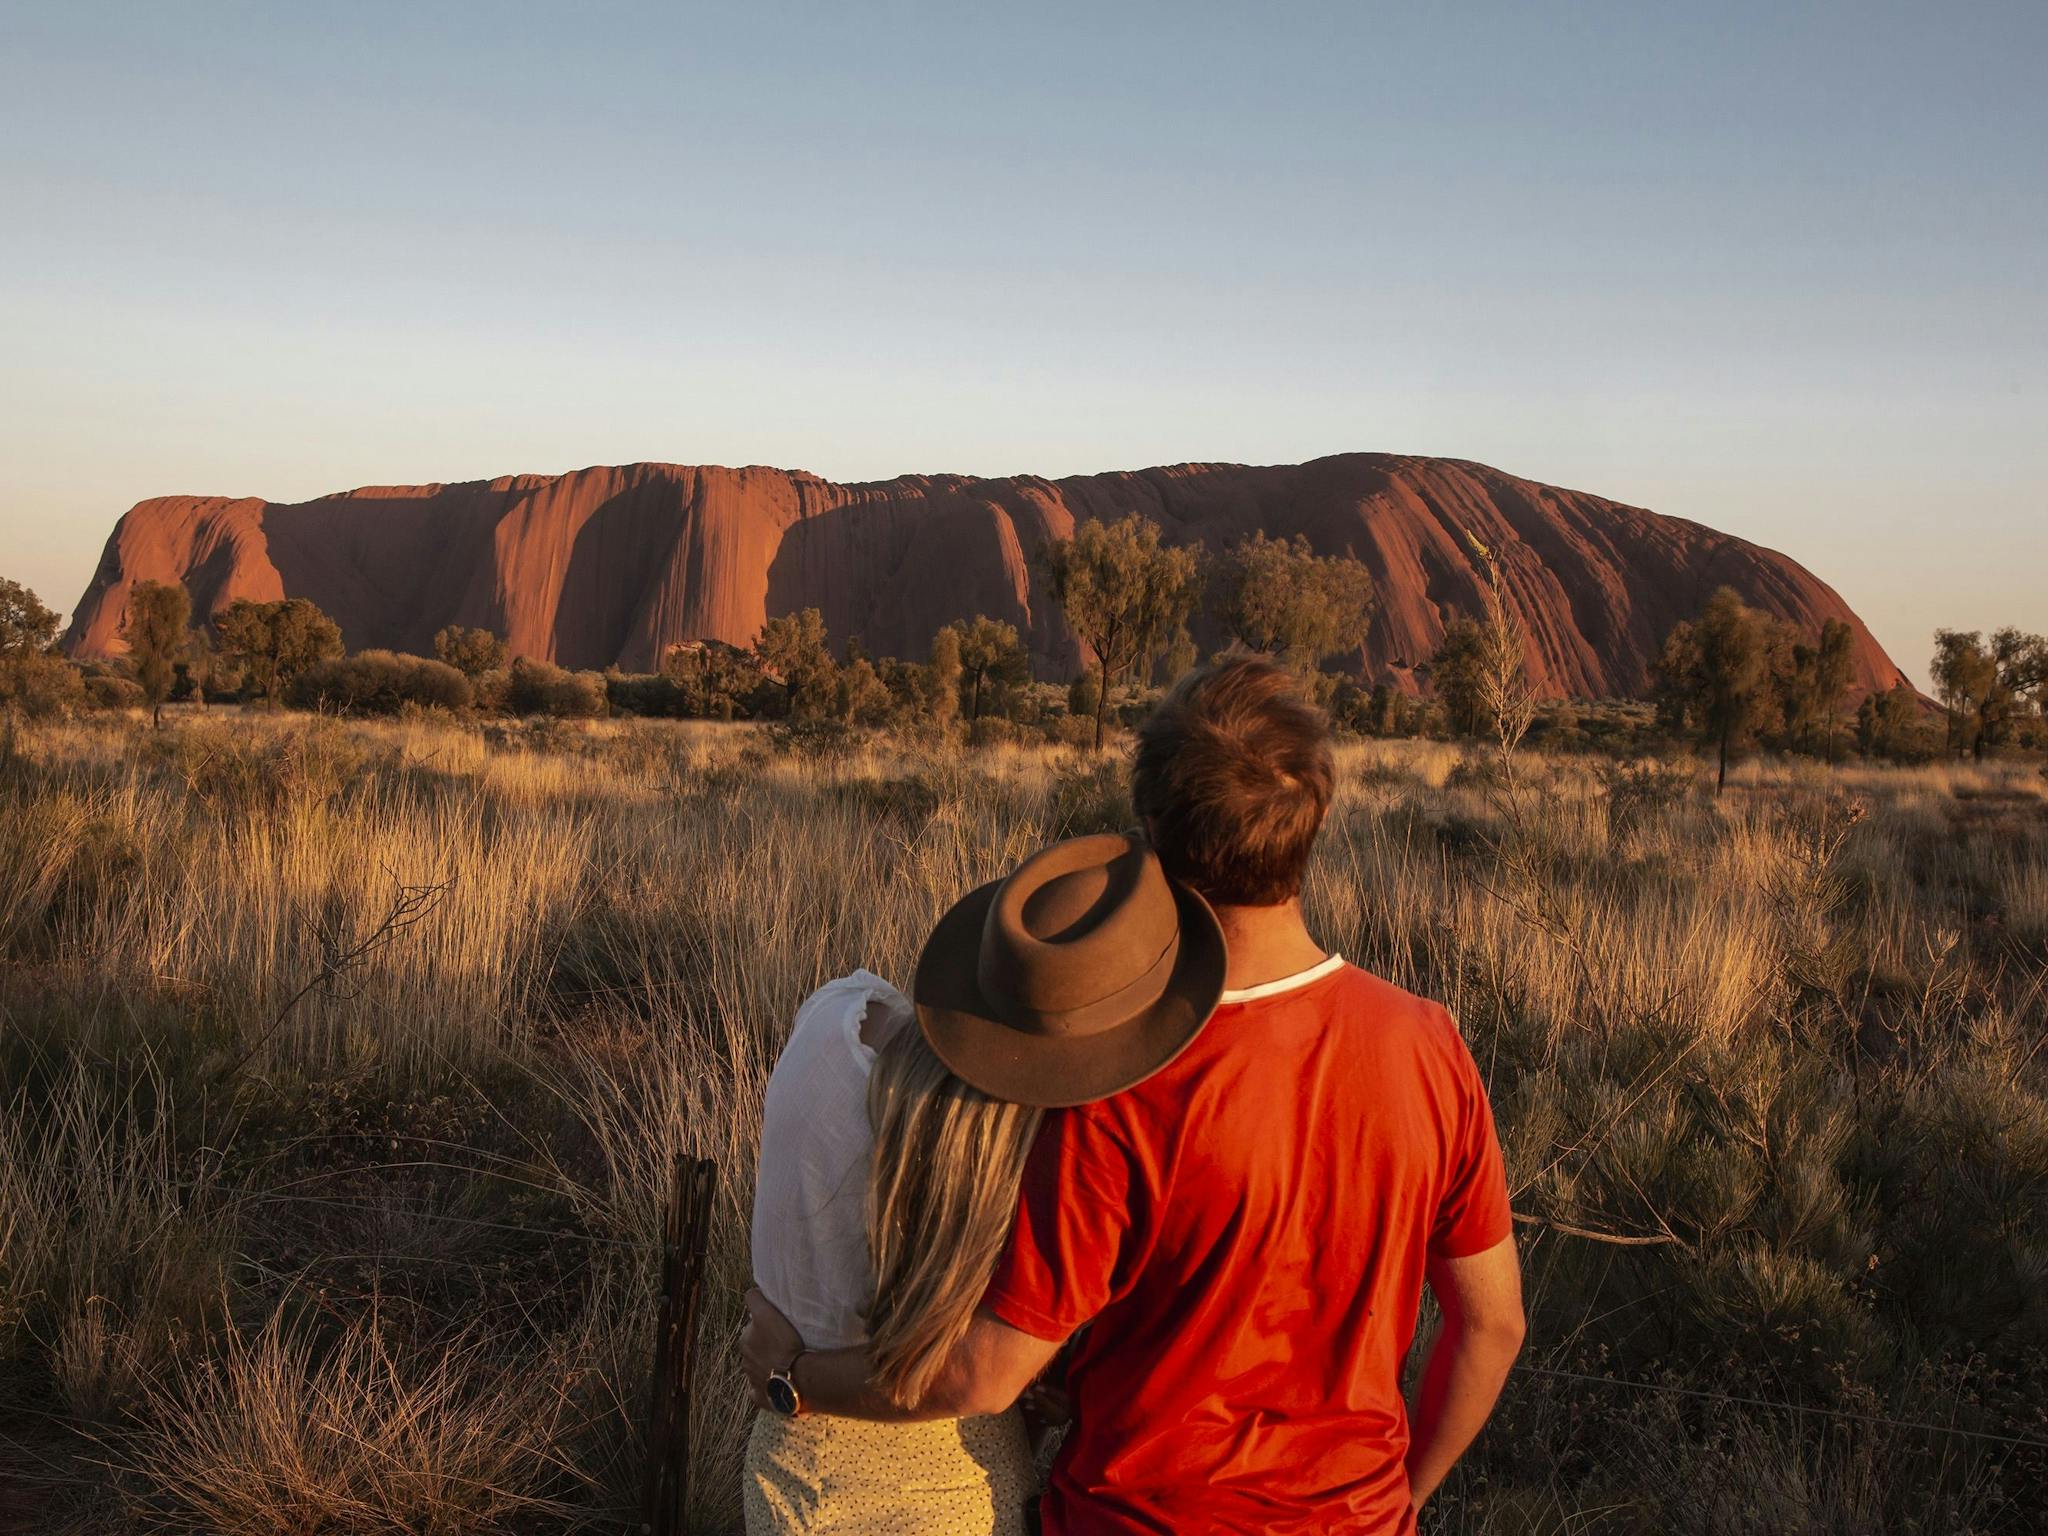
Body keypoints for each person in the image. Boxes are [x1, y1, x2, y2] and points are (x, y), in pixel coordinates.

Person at [745, 657, 1524, 1534]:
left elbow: (988, 1373)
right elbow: (1491, 1327)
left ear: (1149, 832)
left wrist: (796, 1379)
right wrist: (1400, 1500)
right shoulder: (1430, 1044)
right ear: (1315, 821)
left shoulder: (1117, 1088)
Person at [744, 824, 1229, 1533]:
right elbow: (988, 1374)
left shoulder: (832, 1017)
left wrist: (789, 1371)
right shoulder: (1035, 1168)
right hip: (963, 1486)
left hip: (791, 1471)